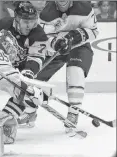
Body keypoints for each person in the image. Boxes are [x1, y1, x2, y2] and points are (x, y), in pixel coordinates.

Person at [38, 1, 99, 133]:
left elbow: (94, 31)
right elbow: (43, 36)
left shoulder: (84, 8)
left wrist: (76, 35)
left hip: (79, 46)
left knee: (75, 71)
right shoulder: (46, 12)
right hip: (56, 49)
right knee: (36, 76)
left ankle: (73, 111)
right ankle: (29, 110)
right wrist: (55, 43)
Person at [0, 1, 50, 128]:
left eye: (33, 21)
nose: (30, 25)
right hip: (2, 61)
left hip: (24, 65)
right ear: (16, 19)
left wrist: (28, 73)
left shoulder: (38, 34)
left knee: (25, 90)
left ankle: (7, 119)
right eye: (26, 22)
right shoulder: (1, 25)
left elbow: (36, 58)